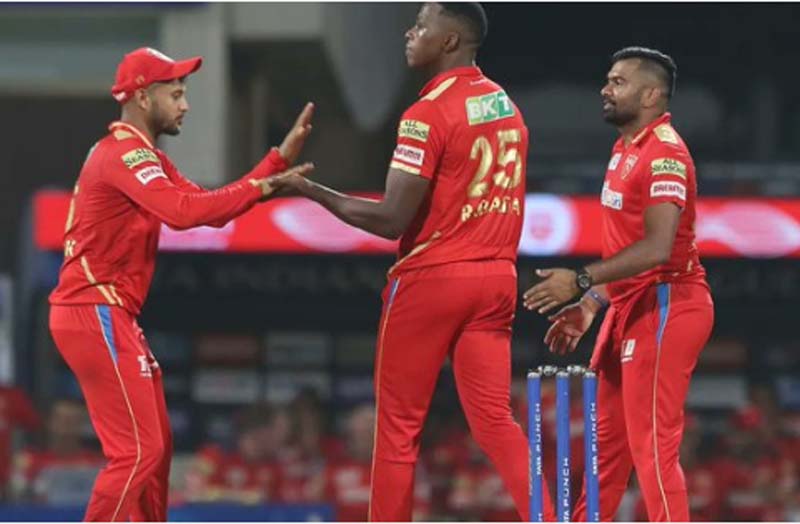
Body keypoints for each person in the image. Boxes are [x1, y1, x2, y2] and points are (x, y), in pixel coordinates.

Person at [269, 3, 553, 520]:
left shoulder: (427, 113)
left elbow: (391, 219)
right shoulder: (505, 104)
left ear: (450, 41)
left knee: (397, 428)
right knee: (495, 422)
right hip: (496, 278)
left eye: (422, 25)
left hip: (433, 278)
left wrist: (309, 190)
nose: (410, 32)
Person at [48, 47, 313, 521]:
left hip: (107, 312)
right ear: (142, 97)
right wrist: (266, 185)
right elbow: (183, 213)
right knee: (137, 452)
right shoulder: (125, 153)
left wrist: (273, 165)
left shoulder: (142, 155)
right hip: (94, 308)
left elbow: (206, 207)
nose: (185, 105)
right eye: (175, 93)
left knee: (158, 447)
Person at [523, 47, 714, 521]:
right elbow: (627, 250)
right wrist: (591, 303)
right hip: (629, 305)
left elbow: (657, 249)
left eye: (618, 82)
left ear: (651, 95)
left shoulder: (665, 154)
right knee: (604, 451)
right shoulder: (624, 148)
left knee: (653, 446)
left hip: (668, 303)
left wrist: (580, 280)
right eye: (608, 80)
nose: (605, 90)